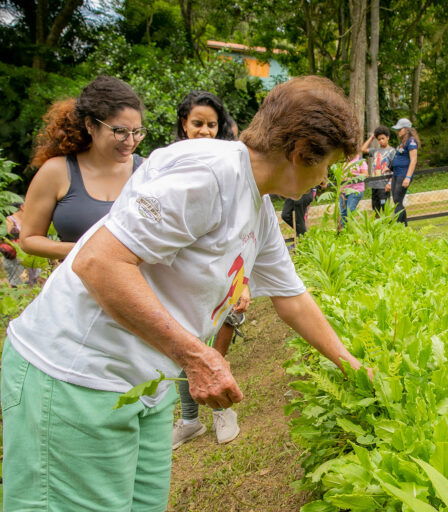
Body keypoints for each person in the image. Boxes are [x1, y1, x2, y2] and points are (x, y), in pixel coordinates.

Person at [2, 76, 368, 511]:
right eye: (325, 165)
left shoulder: (256, 200)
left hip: (142, 384)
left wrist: (352, 366)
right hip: (75, 376)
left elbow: (291, 298)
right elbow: (98, 262)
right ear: (297, 152)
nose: (325, 178)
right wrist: (198, 357)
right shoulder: (209, 176)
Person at [171, 90, 247, 448]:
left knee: (219, 339)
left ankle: (221, 411)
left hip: (226, 273)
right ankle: (189, 420)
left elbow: (244, 231)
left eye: (211, 125)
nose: (204, 130)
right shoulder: (170, 165)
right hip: (185, 274)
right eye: (197, 123)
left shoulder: (233, 166)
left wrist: (243, 282)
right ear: (184, 125)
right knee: (186, 349)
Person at [19, 76, 146, 260]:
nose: (131, 141)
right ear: (90, 125)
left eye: (137, 132)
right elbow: (29, 239)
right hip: (74, 286)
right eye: (120, 131)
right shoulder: (57, 171)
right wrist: (85, 249)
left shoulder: (147, 170)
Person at [388, 118, 419, 225]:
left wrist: (408, 177)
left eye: (399, 129)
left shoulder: (411, 141)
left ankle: (398, 224)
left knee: (397, 200)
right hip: (396, 174)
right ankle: (403, 225)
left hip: (403, 175)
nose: (398, 132)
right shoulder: (402, 142)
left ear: (406, 129)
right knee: (397, 201)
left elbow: (413, 160)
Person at [362, 126, 396, 214]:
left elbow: (395, 168)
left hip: (384, 185)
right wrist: (372, 137)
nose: (381, 141)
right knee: (375, 210)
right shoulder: (375, 151)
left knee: (384, 209)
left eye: (383, 138)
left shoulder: (392, 151)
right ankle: (379, 227)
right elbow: (363, 149)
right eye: (379, 139)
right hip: (374, 185)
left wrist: (389, 183)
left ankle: (387, 226)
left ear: (388, 137)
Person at [339, 153, 369, 227]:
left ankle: (349, 230)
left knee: (350, 211)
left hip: (355, 190)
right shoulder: (344, 162)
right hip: (343, 191)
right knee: (342, 212)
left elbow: (366, 175)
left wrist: (354, 175)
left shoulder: (360, 161)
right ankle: (342, 231)